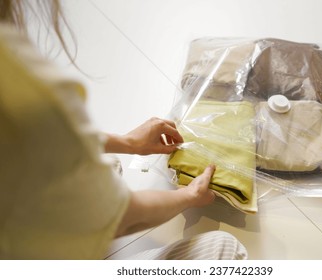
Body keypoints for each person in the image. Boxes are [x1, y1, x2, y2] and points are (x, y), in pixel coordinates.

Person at [0, 0, 247, 259]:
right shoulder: (21, 89)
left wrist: (128, 142)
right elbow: (123, 219)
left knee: (105, 163)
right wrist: (189, 195)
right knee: (224, 250)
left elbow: (40, 146)